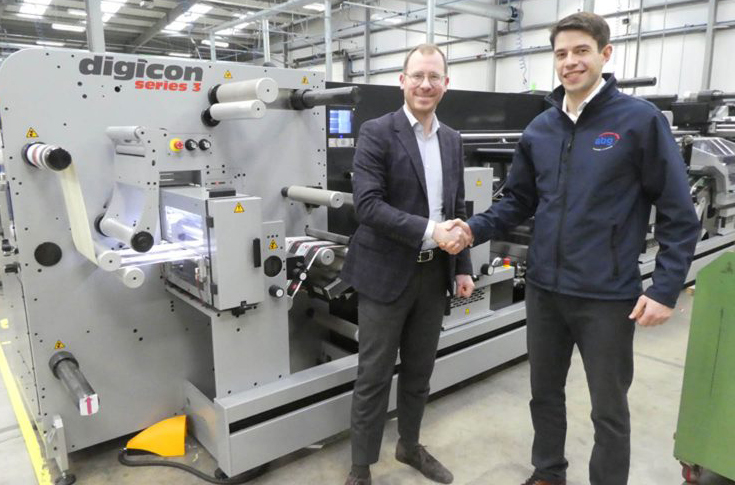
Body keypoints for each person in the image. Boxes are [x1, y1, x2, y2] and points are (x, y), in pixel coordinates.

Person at [442, 12, 700, 485]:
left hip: (607, 295)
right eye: (561, 53)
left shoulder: (639, 121)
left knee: (608, 409)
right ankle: (548, 472)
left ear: (605, 53)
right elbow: (518, 200)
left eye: (581, 51)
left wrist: (665, 289)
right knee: (544, 394)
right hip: (545, 289)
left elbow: (679, 212)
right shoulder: (541, 128)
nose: (570, 62)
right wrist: (472, 229)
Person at [339, 43, 475, 485]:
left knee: (419, 371)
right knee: (374, 375)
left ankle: (409, 446)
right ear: (402, 80)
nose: (425, 84)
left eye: (434, 77)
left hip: (434, 274)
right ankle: (361, 467)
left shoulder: (452, 139)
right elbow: (368, 206)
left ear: (446, 84)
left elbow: (457, 207)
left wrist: (462, 266)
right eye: (417, 75)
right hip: (385, 274)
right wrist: (431, 229)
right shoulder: (377, 132)